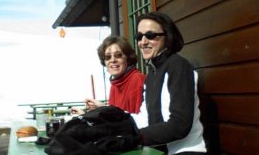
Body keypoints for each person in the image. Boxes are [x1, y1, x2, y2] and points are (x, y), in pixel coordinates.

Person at [136, 11, 207, 154]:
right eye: (139, 36)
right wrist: (113, 127)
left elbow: (179, 125)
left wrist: (133, 137)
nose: (143, 42)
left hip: (186, 151)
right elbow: (145, 118)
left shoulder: (179, 66)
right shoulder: (151, 75)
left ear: (167, 37)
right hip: (159, 151)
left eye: (150, 35)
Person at [71, 36, 146, 115]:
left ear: (128, 58)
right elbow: (115, 118)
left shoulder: (137, 79)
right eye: (108, 57)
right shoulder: (115, 84)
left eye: (118, 55)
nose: (113, 60)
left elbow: (137, 121)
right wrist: (101, 108)